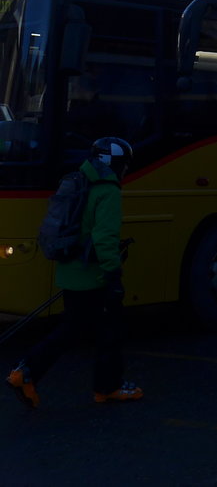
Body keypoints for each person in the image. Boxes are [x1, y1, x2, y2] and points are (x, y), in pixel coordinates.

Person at [6, 137, 143, 408]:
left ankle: (28, 373)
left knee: (77, 328)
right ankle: (106, 387)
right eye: (124, 165)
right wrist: (113, 275)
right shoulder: (107, 190)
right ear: (114, 164)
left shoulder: (77, 180)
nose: (126, 171)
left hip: (70, 271)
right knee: (109, 331)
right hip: (93, 275)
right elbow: (104, 237)